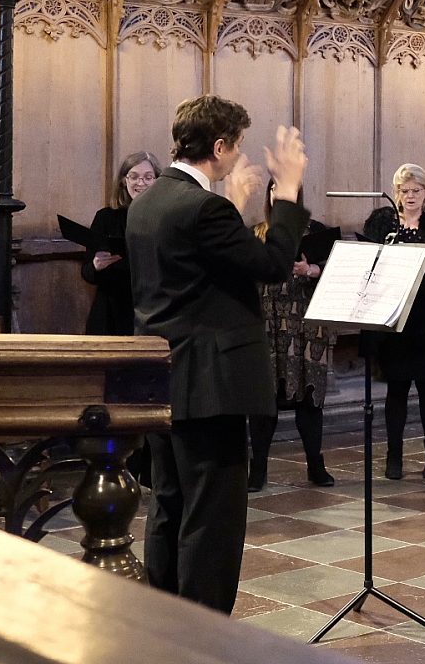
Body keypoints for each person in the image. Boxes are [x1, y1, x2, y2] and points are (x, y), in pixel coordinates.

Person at [126, 95, 308, 614]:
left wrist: (233, 205)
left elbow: (202, 272)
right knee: (213, 519)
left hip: (161, 378)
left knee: (170, 504)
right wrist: (289, 191)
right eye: (238, 146)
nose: (238, 157)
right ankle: (204, 634)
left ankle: (163, 622)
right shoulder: (203, 208)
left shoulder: (151, 200)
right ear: (221, 146)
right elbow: (273, 265)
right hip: (211, 384)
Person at [363, 164, 425, 481]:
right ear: (396, 193)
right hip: (394, 321)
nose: (410, 197)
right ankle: (394, 458)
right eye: (404, 191)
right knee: (395, 391)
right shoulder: (382, 223)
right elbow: (368, 265)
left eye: (416, 191)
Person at [246, 181, 336, 492]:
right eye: (276, 190)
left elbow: (336, 269)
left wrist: (311, 270)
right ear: (269, 196)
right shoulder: (257, 233)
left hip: (307, 324)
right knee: (263, 402)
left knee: (309, 401)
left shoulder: (316, 231)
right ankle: (256, 470)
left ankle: (316, 466)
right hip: (267, 325)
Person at [81, 151, 162, 335]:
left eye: (148, 177)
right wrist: (96, 266)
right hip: (110, 316)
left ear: (157, 181)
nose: (140, 183)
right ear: (124, 181)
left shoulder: (165, 218)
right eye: (134, 177)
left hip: (151, 313)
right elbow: (87, 273)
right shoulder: (105, 218)